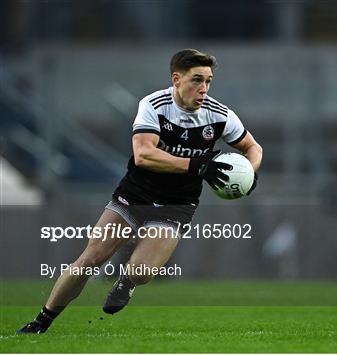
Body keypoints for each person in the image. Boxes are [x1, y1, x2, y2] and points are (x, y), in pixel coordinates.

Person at [17, 49, 263, 333]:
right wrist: (197, 166)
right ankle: (42, 321)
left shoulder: (219, 115)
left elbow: (253, 147)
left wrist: (250, 171)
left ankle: (127, 283)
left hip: (178, 202)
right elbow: (144, 154)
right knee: (89, 260)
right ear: (176, 79)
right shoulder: (154, 105)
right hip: (136, 193)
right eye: (197, 80)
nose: (204, 89)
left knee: (142, 272)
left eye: (208, 81)